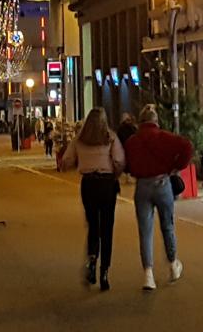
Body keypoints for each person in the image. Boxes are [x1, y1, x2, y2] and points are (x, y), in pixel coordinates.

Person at [124, 104, 192, 291]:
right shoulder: (164, 137)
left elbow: (127, 163)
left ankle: (148, 274)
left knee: (145, 231)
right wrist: (176, 167)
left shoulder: (132, 141)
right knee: (167, 225)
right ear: (155, 121)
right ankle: (172, 264)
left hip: (142, 186)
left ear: (140, 121)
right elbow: (187, 146)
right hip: (163, 183)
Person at [61, 107, 125, 292]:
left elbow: (67, 161)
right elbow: (120, 161)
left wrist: (78, 163)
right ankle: (104, 272)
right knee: (107, 228)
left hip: (88, 185)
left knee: (93, 226)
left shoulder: (80, 139)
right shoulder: (110, 137)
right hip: (106, 185)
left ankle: (92, 259)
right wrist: (115, 174)